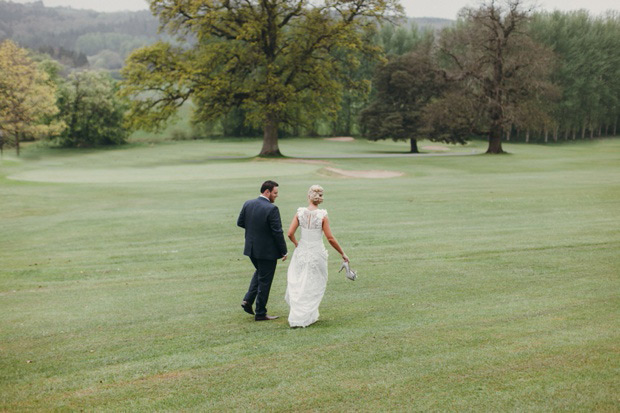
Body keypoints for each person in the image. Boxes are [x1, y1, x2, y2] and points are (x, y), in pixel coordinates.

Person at [285, 185, 349, 328]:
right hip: (316, 252)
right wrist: (342, 253)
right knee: (314, 282)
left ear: (308, 196)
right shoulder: (322, 215)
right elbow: (330, 238)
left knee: (300, 281)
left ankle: (301, 316)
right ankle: (305, 316)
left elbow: (290, 233)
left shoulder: (300, 213)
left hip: (301, 251)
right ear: (319, 198)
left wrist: (297, 244)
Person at [237, 180, 288, 321]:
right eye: (275, 193)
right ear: (267, 192)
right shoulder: (272, 209)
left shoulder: (248, 203)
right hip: (267, 252)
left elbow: (240, 222)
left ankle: (247, 300)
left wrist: (255, 231)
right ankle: (260, 313)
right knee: (265, 281)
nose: (276, 196)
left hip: (251, 249)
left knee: (260, 273)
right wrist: (284, 250)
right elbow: (277, 232)